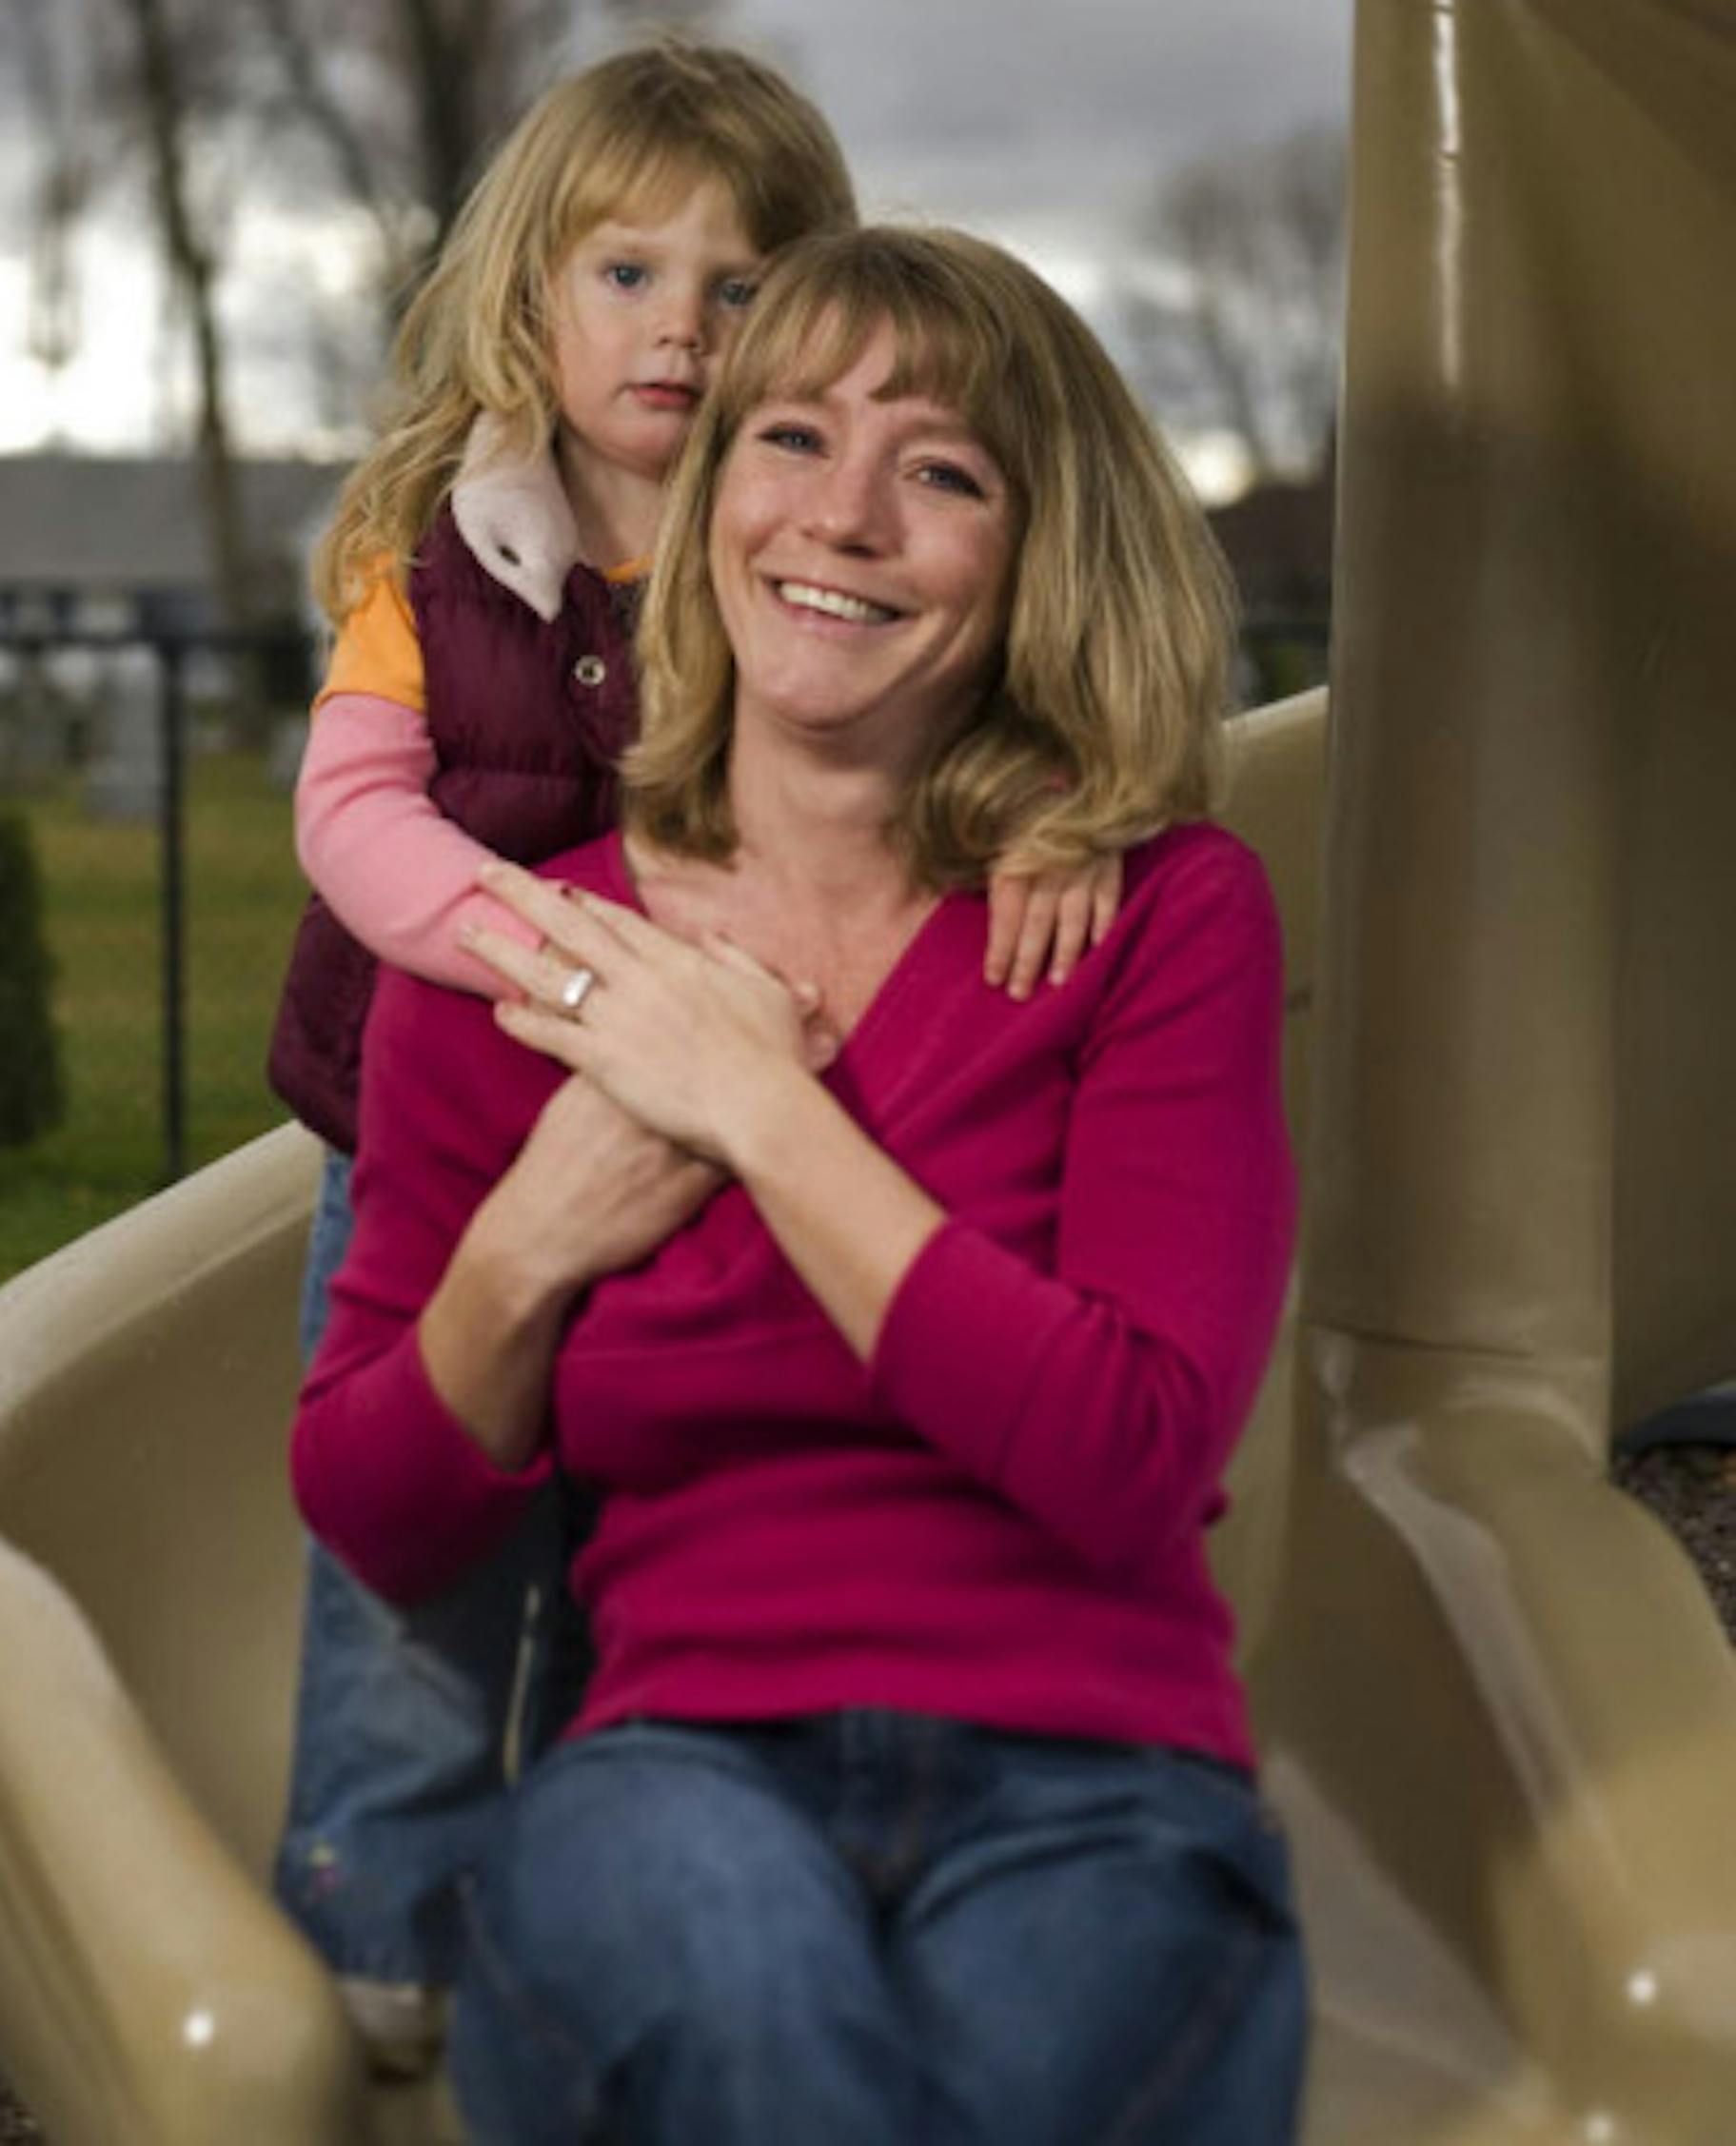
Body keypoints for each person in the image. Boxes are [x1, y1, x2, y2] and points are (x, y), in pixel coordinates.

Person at [294, 226, 1305, 2143]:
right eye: (789, 440)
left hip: (1101, 1783)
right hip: (676, 1777)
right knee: (758, 2044)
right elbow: (382, 1519)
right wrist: (530, 1247)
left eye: (941, 471)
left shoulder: (1163, 925)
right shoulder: (526, 961)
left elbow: (1131, 1452)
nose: (841, 517)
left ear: (1034, 559)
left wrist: (761, 1114)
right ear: (703, 500)